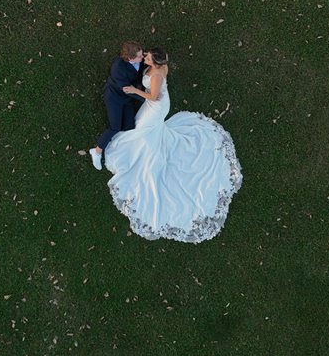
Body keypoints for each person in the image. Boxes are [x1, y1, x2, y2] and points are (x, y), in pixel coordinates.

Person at [104, 47, 242, 243]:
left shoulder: (158, 74)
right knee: (142, 127)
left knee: (145, 131)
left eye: (148, 57)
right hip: (155, 104)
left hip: (156, 106)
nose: (145, 58)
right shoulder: (161, 66)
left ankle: (146, 153)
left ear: (157, 63)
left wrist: (134, 90)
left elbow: (153, 96)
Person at [90, 41, 146, 170]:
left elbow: (139, 73)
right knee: (115, 127)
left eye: (142, 54)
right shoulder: (118, 68)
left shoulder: (140, 59)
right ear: (131, 58)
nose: (142, 57)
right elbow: (127, 89)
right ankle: (97, 151)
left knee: (129, 127)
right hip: (115, 97)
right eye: (139, 56)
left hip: (127, 98)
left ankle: (121, 150)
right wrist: (146, 99)